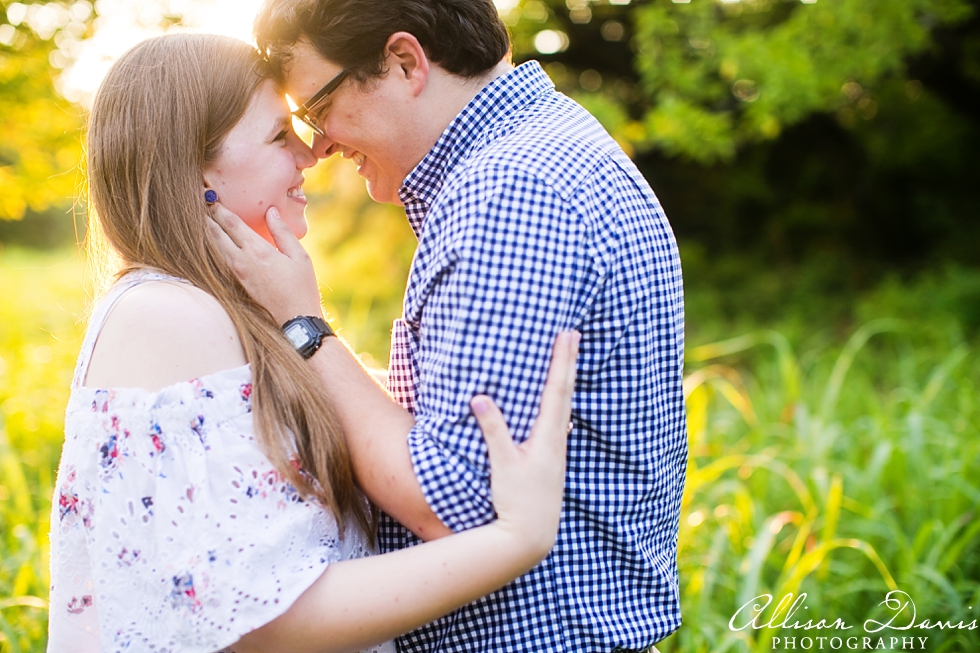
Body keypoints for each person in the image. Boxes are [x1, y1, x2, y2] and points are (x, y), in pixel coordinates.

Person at [48, 32, 579, 653]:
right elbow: (263, 619)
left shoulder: (227, 311)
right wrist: (511, 540)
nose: (311, 155)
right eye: (280, 136)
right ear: (192, 170)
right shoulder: (165, 314)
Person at [210, 1, 689, 651]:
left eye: (318, 110)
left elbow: (454, 496)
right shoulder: (538, 150)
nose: (317, 146)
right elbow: (456, 415)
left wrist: (302, 322)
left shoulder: (512, 190)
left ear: (404, 62)